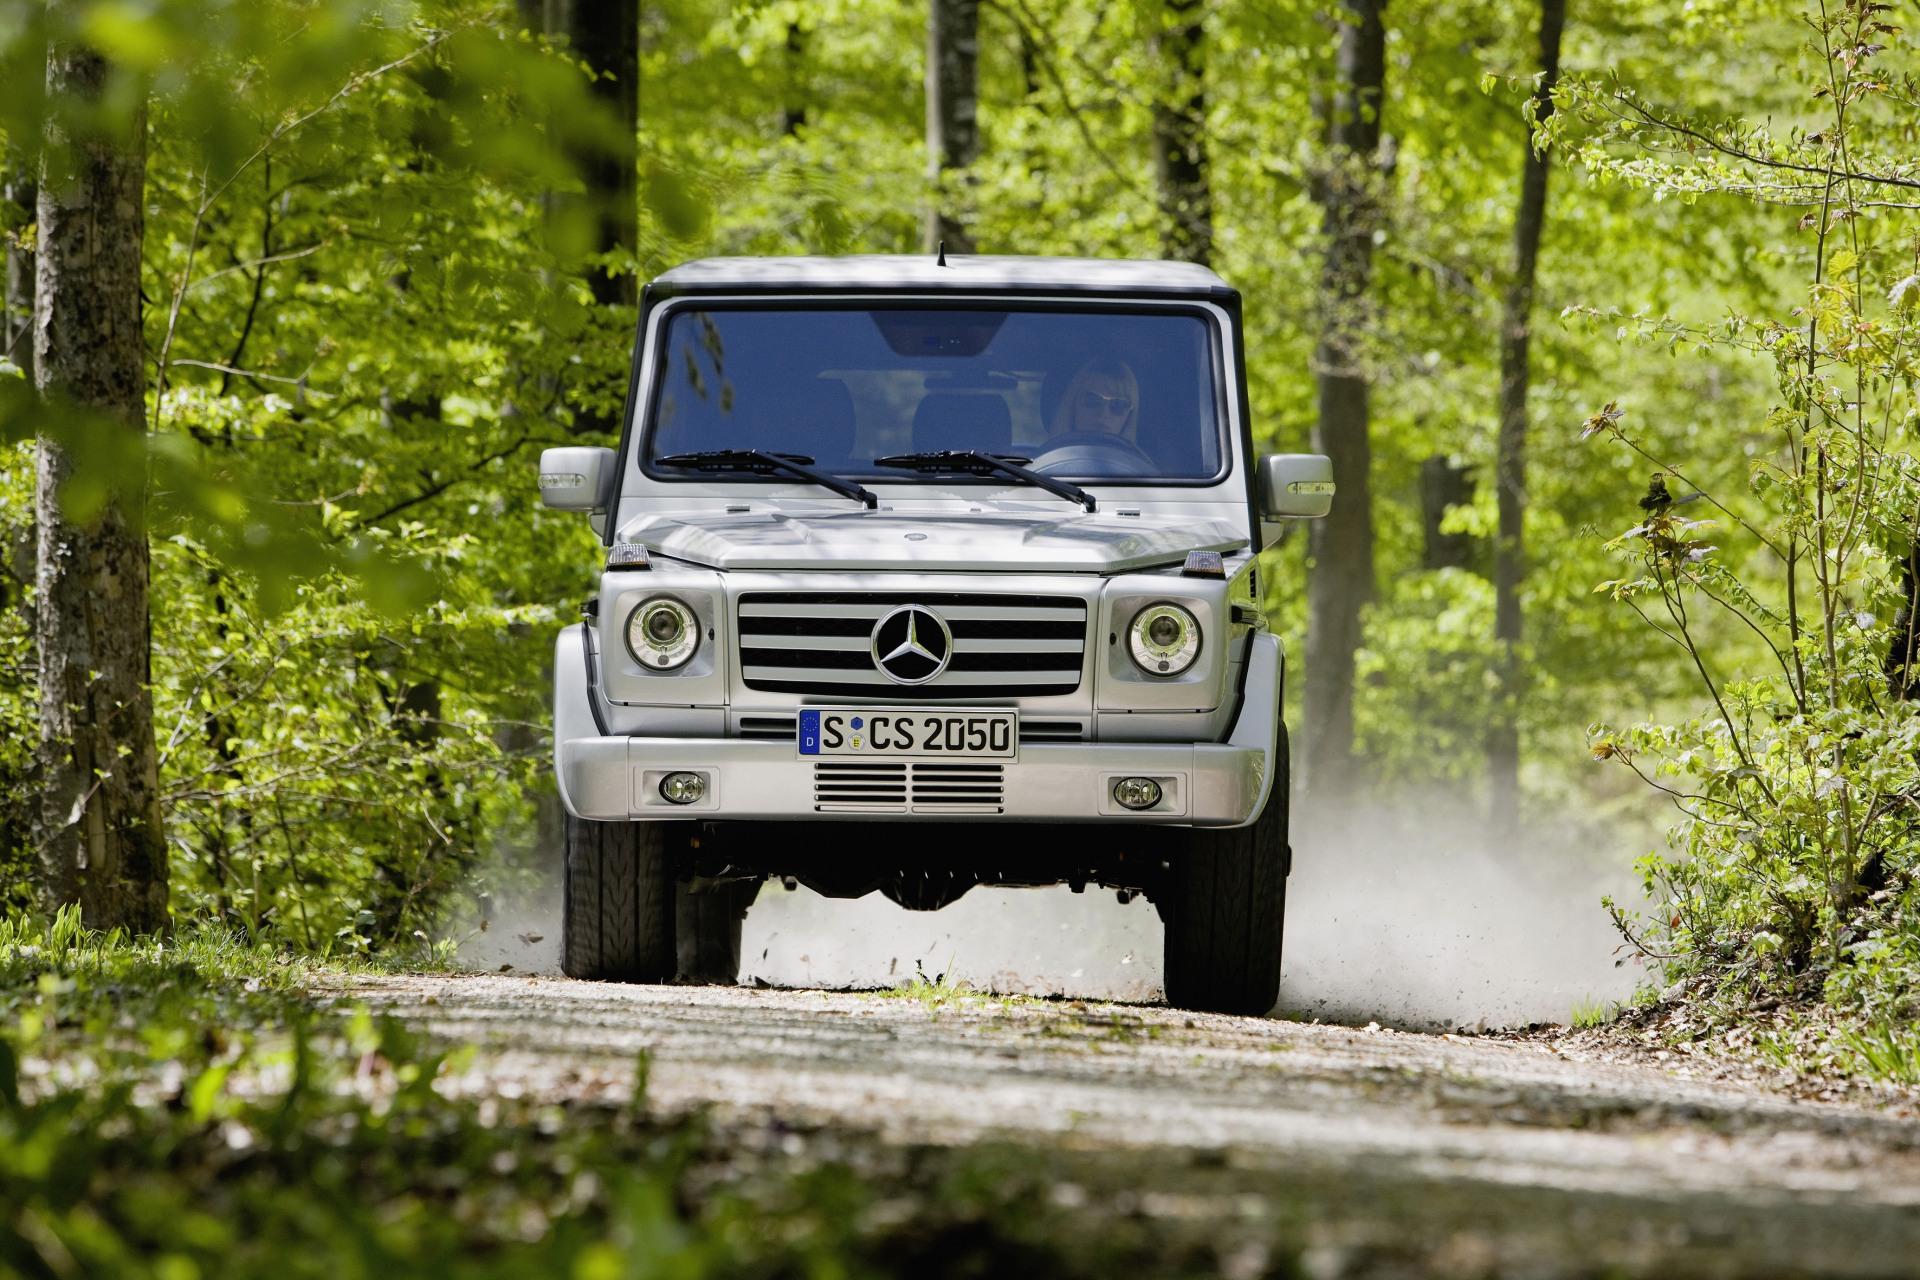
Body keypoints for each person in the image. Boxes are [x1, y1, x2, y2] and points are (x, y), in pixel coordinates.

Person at [1046, 356, 1140, 443]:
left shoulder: (1139, 461)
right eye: (1092, 400)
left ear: (1129, 415)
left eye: (1119, 405)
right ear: (1072, 405)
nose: (1104, 414)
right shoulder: (1043, 460)